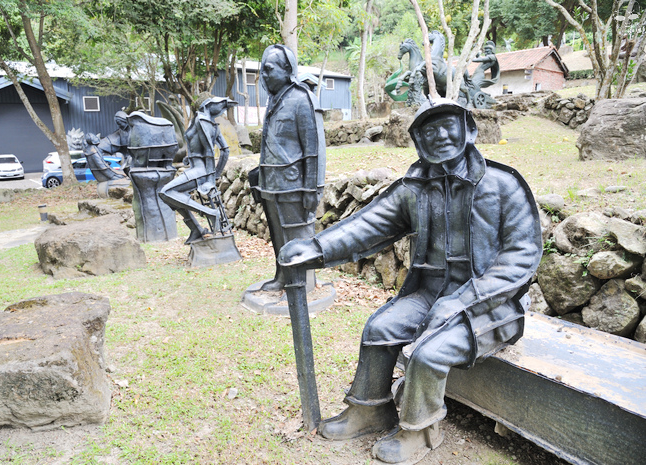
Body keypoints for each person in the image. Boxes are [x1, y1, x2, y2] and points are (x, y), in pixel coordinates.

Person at [278, 98, 542, 464]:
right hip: (430, 293)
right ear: (417, 142)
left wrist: (462, 300)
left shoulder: (503, 185)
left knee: (429, 352)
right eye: (428, 131)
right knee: (379, 327)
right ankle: (369, 409)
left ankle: (419, 430)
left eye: (448, 125)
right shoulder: (414, 188)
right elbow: (368, 225)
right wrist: (316, 246)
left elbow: (521, 257)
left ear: (470, 130)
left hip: (491, 305)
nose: (440, 136)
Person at [251, 44, 326, 292]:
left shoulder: (301, 99)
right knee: (277, 235)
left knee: (297, 237)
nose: (264, 76)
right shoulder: (274, 101)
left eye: (268, 70)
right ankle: (282, 277)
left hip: (294, 185)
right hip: (272, 184)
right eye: (262, 71)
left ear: (287, 69)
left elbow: (313, 151)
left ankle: (301, 284)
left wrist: (311, 189)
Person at [159, 97, 235, 244]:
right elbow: (224, 150)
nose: (223, 110)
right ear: (208, 105)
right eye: (222, 106)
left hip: (200, 170)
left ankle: (210, 213)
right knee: (174, 197)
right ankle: (196, 230)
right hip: (197, 168)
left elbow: (210, 151)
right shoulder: (207, 121)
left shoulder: (205, 121)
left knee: (165, 192)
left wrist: (212, 177)